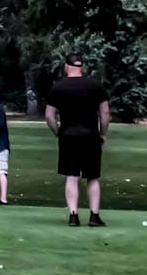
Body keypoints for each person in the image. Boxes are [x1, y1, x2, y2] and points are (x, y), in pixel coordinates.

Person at [45, 54, 110, 227]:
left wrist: (58, 132)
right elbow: (104, 115)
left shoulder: (58, 88)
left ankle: (73, 215)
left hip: (68, 136)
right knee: (93, 177)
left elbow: (49, 116)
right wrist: (102, 134)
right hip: (91, 136)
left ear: (66, 67)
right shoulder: (96, 86)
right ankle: (94, 215)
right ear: (82, 67)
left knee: (72, 176)